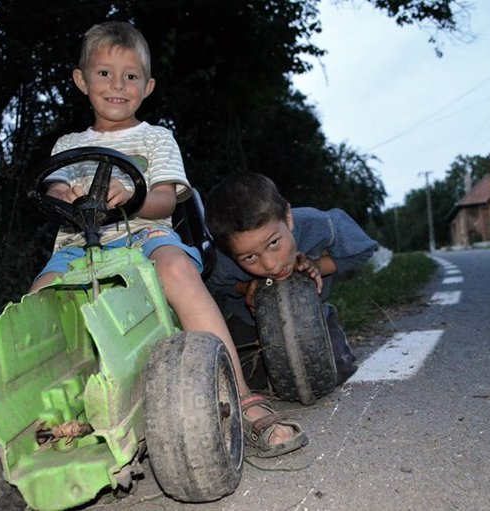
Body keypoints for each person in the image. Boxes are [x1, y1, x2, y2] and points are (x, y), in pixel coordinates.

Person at [29, 21, 307, 458]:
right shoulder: (68, 143)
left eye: (131, 75)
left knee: (176, 268)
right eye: (104, 73)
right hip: (76, 248)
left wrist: (132, 198)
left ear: (148, 85)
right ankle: (41, 417)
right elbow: (53, 188)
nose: (117, 85)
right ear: (81, 81)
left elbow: (166, 198)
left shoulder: (157, 139)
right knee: (35, 303)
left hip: (145, 237)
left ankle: (242, 393)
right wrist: (63, 193)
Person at [205, 172, 382, 388]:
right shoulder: (224, 258)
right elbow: (212, 285)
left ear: (288, 218)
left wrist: (317, 266)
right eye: (249, 257)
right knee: (243, 382)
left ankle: (334, 334)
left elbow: (362, 249)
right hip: (250, 322)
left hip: (311, 316)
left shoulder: (318, 225)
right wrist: (247, 287)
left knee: (337, 369)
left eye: (273, 243)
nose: (270, 264)